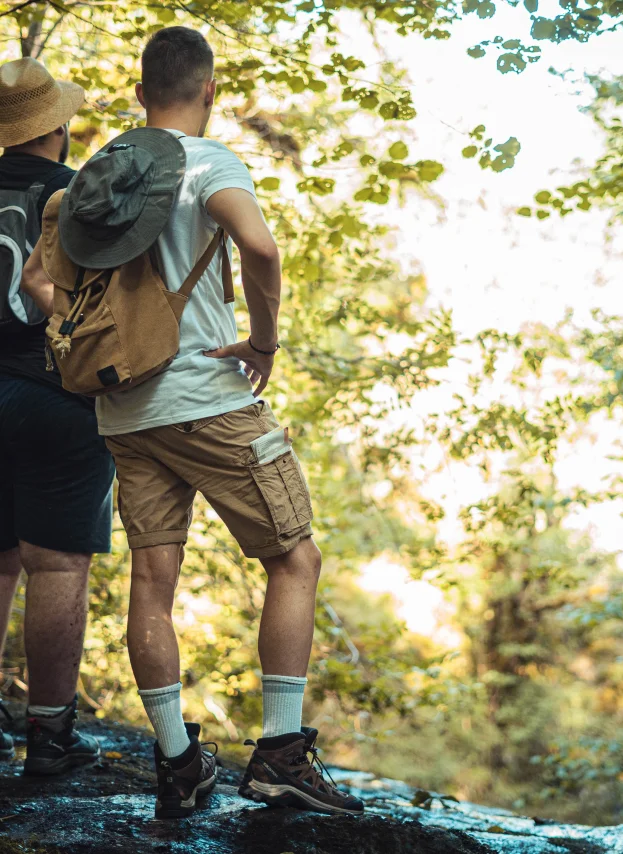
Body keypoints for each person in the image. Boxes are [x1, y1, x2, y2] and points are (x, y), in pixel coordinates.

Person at [40, 26, 364, 818]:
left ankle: (179, 767)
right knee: (294, 558)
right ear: (210, 91)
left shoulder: (98, 174)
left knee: (153, 581)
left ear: (141, 92)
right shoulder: (209, 164)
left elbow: (40, 279)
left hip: (124, 411)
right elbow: (259, 245)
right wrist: (263, 339)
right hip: (209, 403)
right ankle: (282, 755)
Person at [0, 58, 115, 774]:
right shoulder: (79, 196)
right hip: (53, 396)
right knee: (57, 562)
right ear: (60, 127)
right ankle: (49, 738)